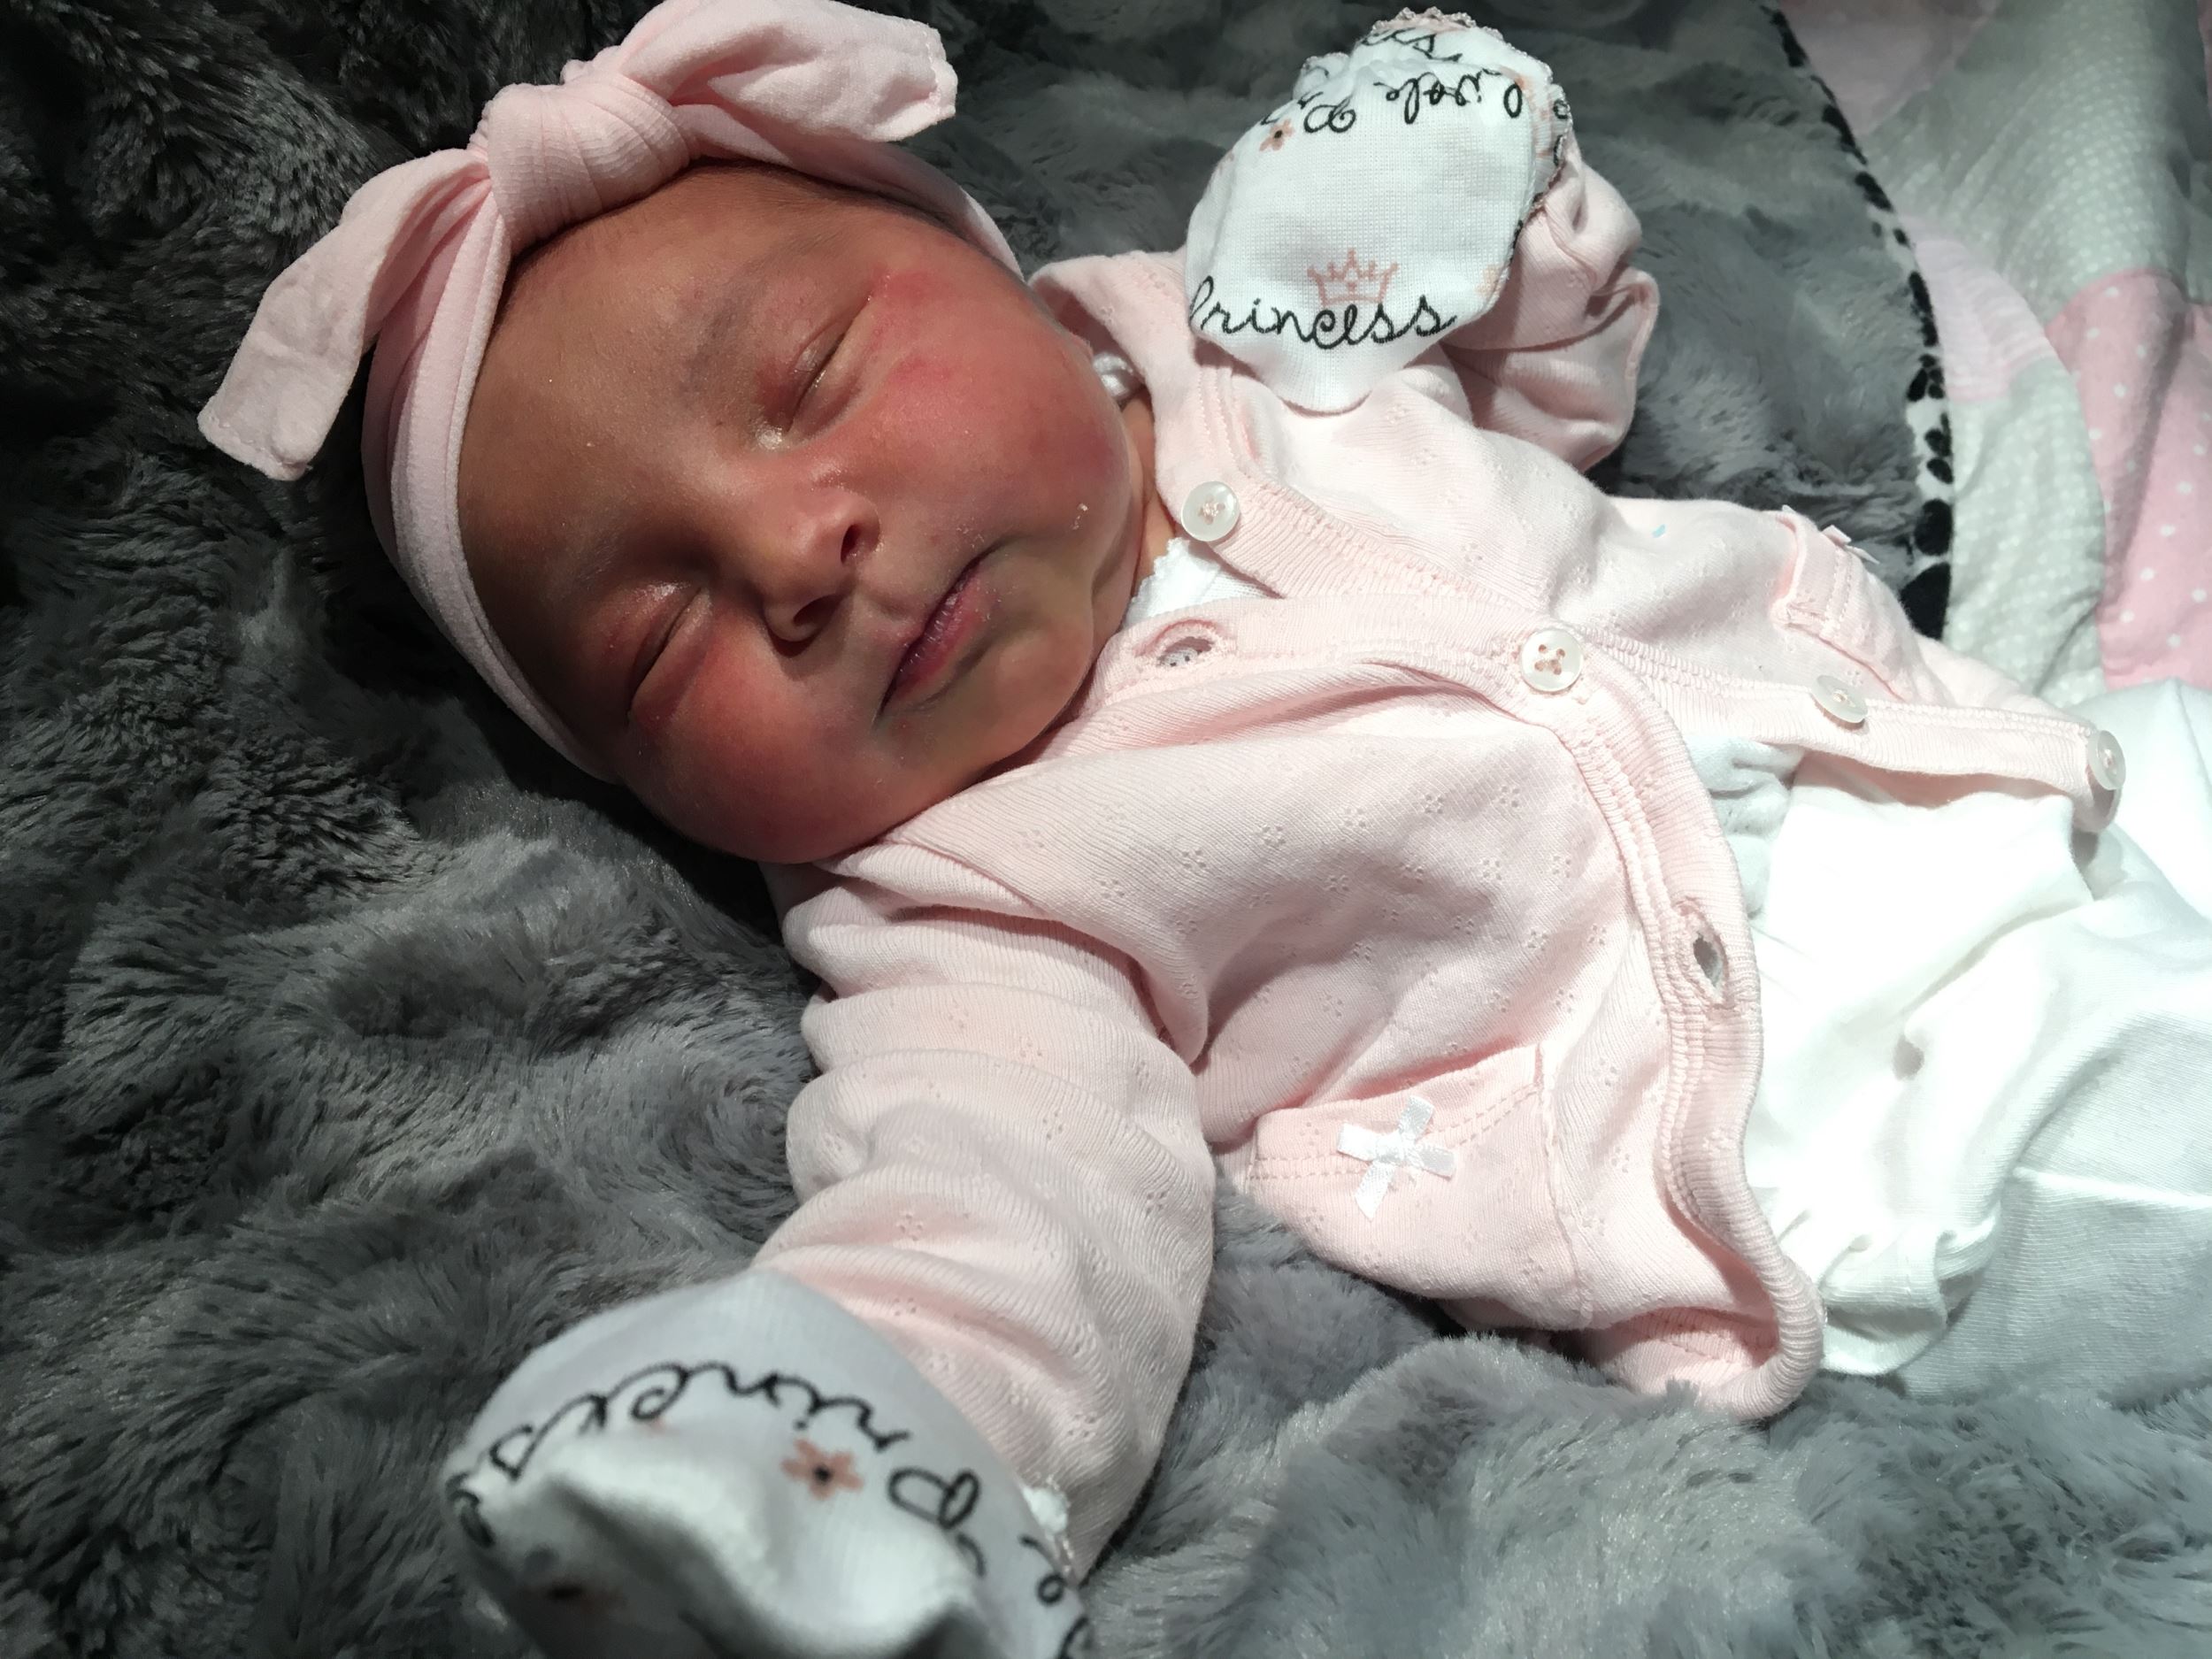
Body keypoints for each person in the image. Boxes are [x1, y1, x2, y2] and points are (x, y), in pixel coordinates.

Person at [197, 2, 2212, 1654]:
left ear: (1002, 284)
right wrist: (843, 1446)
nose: (792, 552)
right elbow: (1004, 1201)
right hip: (1862, 1101)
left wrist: (1455, 180)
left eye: (810, 378)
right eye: (657, 643)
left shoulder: (1255, 337)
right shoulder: (975, 902)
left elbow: (1553, 377)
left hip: (2002, 766)